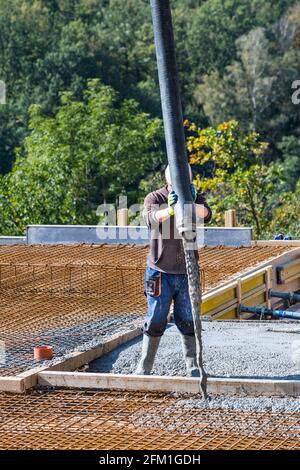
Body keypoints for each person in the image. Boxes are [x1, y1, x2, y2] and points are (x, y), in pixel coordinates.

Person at [135, 164, 212, 376]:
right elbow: (150, 218)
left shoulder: (194, 196)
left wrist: (190, 203)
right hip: (160, 270)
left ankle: (192, 365)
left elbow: (206, 214)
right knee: (156, 318)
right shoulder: (154, 197)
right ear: (168, 182)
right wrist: (170, 209)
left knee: (187, 318)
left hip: (187, 271)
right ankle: (145, 366)